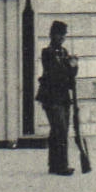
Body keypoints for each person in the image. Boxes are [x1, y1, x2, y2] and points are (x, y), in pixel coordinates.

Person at [36, 20, 78, 175]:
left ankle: (54, 165)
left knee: (60, 130)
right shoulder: (47, 52)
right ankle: (61, 166)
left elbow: (71, 75)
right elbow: (55, 72)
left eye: (63, 35)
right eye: (59, 34)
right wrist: (69, 65)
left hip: (64, 97)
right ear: (52, 35)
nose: (61, 38)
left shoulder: (64, 52)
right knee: (59, 129)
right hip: (51, 97)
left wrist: (74, 66)